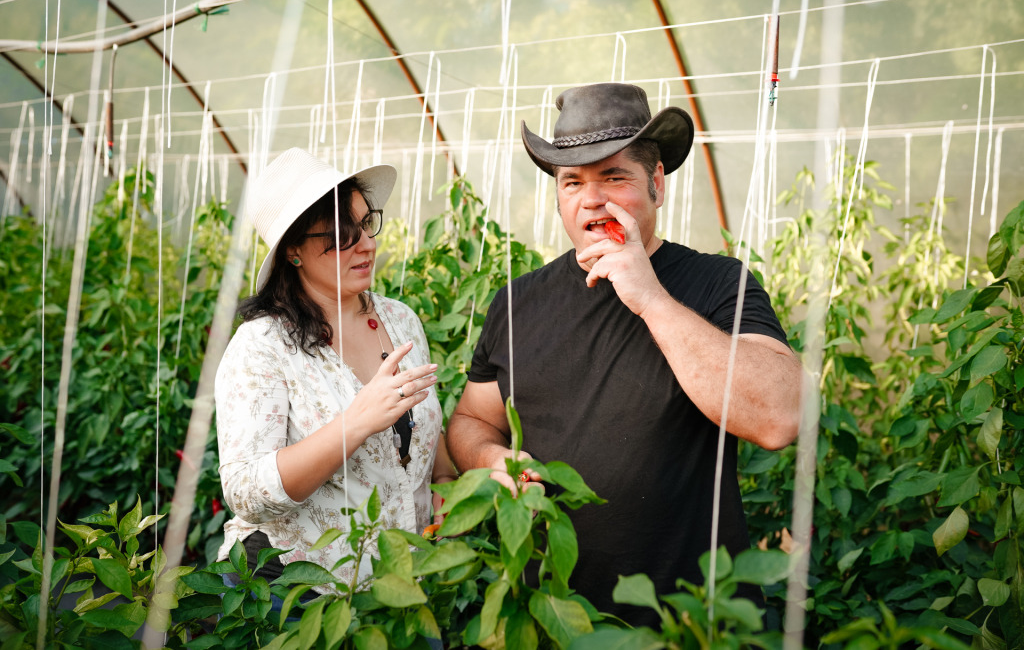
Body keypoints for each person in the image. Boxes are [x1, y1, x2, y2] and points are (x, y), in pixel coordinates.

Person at [446, 83, 802, 626]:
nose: (591, 199)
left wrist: (651, 298)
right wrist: (493, 459)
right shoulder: (518, 303)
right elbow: (472, 420)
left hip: (689, 621)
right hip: (556, 615)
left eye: (614, 177)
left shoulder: (718, 284)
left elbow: (779, 418)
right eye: (573, 181)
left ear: (657, 183)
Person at [215, 148, 458, 607]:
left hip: (399, 584)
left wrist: (444, 486)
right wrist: (356, 422)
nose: (365, 244)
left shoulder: (400, 320)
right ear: (293, 251)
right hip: (296, 594)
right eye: (341, 236)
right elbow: (246, 493)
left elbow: (424, 430)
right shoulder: (263, 346)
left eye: (366, 224)